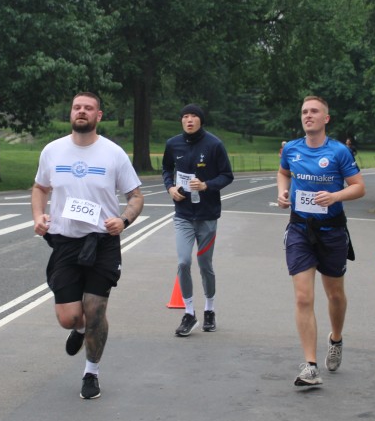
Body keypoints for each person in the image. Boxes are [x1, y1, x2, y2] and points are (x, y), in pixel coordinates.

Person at [32, 92, 144, 399]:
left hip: (102, 242)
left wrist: (124, 220)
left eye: (88, 108)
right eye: (77, 107)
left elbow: (136, 196)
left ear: (99, 115)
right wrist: (38, 216)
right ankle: (78, 330)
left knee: (95, 310)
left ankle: (91, 372)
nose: (82, 111)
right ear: (71, 113)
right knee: (69, 317)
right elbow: (40, 188)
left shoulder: (113, 154)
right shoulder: (53, 151)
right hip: (65, 242)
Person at [277, 96, 365, 387]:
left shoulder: (339, 151)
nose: (308, 115)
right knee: (303, 297)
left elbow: (359, 187)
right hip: (300, 230)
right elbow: (283, 172)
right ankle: (310, 366)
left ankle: (336, 339)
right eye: (304, 111)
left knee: (335, 295)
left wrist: (335, 196)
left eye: (314, 111)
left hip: (332, 231)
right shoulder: (292, 148)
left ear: (326, 118)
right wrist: (283, 192)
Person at [162, 104, 234, 336]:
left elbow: (227, 175)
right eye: (185, 116)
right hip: (183, 215)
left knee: (205, 264)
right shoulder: (173, 144)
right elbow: (166, 170)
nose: (189, 120)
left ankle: (209, 309)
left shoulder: (214, 144)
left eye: (194, 116)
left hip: (207, 216)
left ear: (201, 120)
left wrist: (206, 185)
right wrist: (170, 187)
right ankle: (189, 313)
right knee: (183, 262)